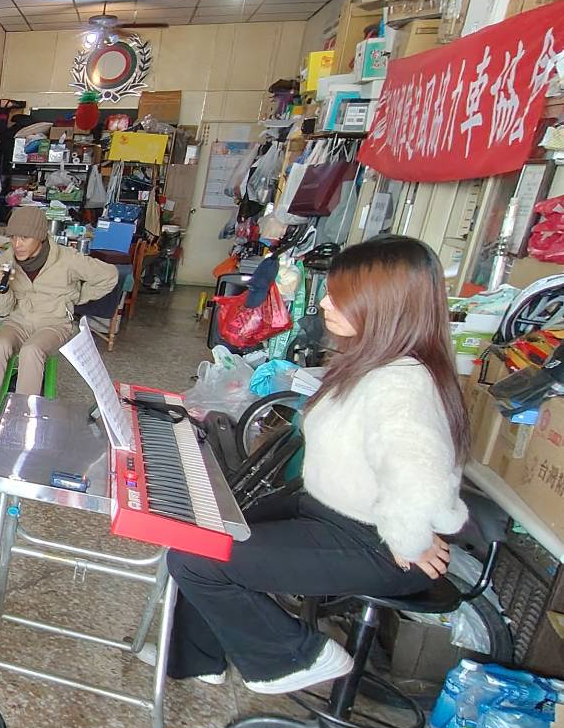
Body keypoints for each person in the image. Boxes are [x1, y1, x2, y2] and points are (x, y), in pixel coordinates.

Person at [160, 237, 470, 694]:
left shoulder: (401, 384)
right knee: (202, 527)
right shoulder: (373, 363)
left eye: (339, 296)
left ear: (385, 306)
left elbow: (421, 479)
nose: (324, 302)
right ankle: (198, 659)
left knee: (196, 559)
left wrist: (410, 538)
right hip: (326, 511)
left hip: (372, 541)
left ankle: (294, 655)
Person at [0, 204, 118, 416]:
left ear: (40, 237)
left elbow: (109, 275)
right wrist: (1, 288)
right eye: (13, 237)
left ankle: (23, 415)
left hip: (54, 323)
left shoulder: (67, 258)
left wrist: (78, 296)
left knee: (31, 351)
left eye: (24, 238)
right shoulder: (6, 260)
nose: (17, 244)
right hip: (18, 321)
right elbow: (2, 310)